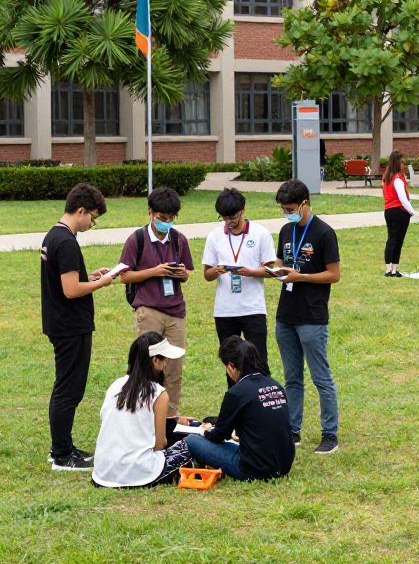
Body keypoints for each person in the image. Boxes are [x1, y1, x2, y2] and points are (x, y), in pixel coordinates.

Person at [41, 183, 118, 471]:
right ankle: (62, 455)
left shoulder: (54, 236)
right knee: (69, 390)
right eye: (93, 218)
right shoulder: (67, 242)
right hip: (70, 326)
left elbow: (68, 279)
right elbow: (71, 290)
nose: (92, 224)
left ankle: (61, 447)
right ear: (81, 211)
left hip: (61, 323)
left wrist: (91, 274)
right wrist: (102, 282)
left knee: (65, 386)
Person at [273, 179, 342, 455]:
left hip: (312, 316)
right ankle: (293, 429)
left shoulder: (324, 233)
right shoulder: (285, 231)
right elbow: (281, 263)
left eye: (290, 208)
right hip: (285, 314)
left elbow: (333, 274)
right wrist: (275, 270)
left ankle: (330, 434)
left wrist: (300, 276)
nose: (286, 213)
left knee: (320, 377)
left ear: (304, 204)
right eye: (283, 209)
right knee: (292, 378)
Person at [119, 187, 193, 421]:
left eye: (171, 218)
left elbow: (187, 274)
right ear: (150, 213)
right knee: (146, 366)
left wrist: (181, 274)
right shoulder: (137, 240)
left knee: (174, 368)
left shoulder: (179, 239)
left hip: (175, 312)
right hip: (149, 310)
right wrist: (155, 272)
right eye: (162, 218)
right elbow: (124, 276)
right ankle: (143, 414)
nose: (167, 222)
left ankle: (169, 417)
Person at [186, 336, 295, 481]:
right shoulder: (275, 385)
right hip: (284, 465)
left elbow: (219, 436)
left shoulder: (236, 393)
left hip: (253, 469)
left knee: (192, 441)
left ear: (231, 366)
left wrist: (204, 431)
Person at [92, 333, 192, 488]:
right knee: (191, 445)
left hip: (103, 471)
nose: (166, 363)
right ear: (155, 360)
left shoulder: (115, 385)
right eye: (165, 358)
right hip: (139, 473)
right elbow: (160, 444)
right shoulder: (158, 393)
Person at [201, 188, 277, 383]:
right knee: (231, 365)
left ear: (242, 210)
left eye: (232, 217)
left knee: (259, 361)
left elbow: (271, 270)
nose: (228, 221)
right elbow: (207, 275)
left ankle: (262, 405)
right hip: (225, 311)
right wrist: (216, 271)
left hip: (253, 309)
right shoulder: (214, 236)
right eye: (224, 218)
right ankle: (236, 404)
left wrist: (250, 272)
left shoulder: (260, 234)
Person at [382, 150, 417, 278]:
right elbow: (403, 199)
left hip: (389, 211)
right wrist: (412, 212)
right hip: (399, 212)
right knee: (398, 241)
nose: (404, 165)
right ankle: (393, 269)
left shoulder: (387, 177)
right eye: (402, 162)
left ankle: (389, 269)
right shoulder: (397, 178)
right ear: (397, 163)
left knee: (391, 239)